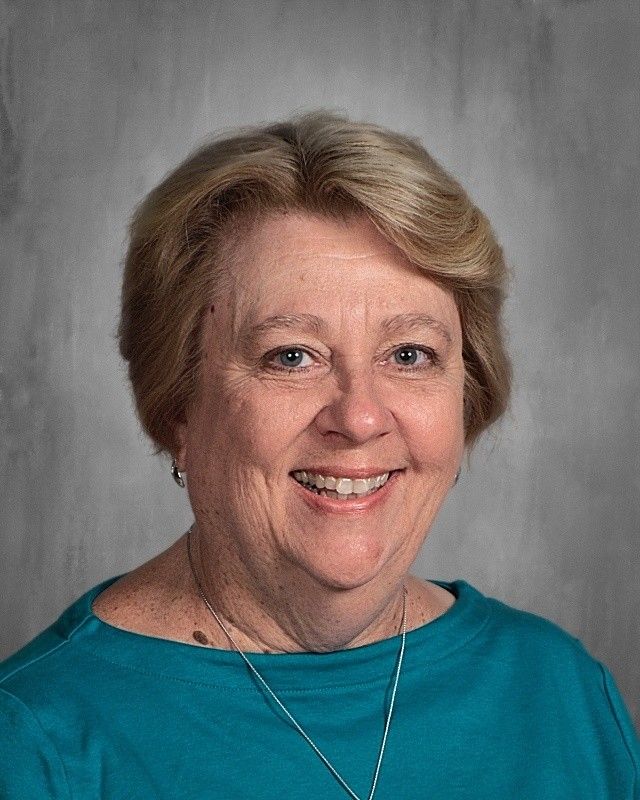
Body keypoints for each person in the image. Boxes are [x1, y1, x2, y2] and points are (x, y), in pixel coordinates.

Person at [1, 110, 638, 800]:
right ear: (179, 404)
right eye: (292, 355)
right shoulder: (36, 741)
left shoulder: (559, 693)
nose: (360, 417)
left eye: (409, 354)